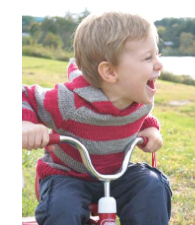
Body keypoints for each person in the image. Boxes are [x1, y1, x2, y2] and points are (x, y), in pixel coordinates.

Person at [22, 12, 172, 225]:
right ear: (110, 72)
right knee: (63, 207)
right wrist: (25, 123)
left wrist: (150, 128)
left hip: (116, 176)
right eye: (148, 57)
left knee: (152, 184)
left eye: (157, 54)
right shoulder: (69, 102)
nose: (159, 64)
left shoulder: (140, 97)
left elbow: (138, 115)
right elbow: (24, 95)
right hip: (68, 176)